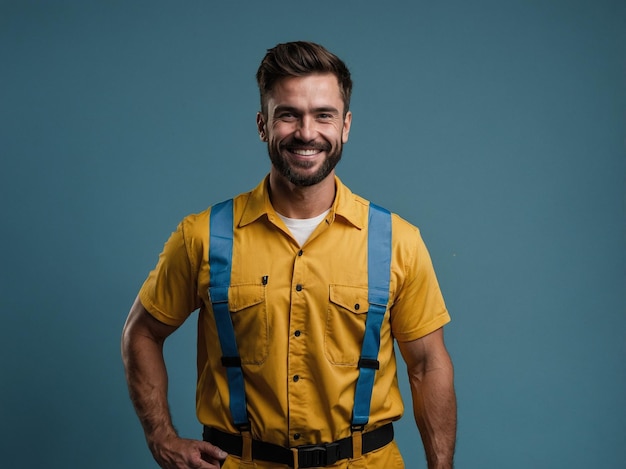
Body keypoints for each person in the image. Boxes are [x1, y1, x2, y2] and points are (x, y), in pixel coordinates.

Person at [122, 41, 456, 469]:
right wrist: (161, 437)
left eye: (323, 115)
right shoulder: (202, 236)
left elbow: (428, 365)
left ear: (346, 125)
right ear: (263, 125)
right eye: (288, 115)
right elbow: (142, 332)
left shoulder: (398, 241)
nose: (306, 131)